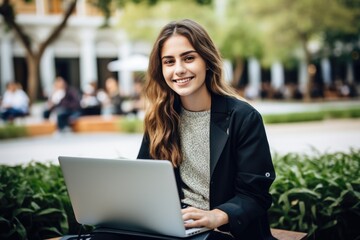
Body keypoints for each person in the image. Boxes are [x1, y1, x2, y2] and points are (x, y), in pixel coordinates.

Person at [137, 19, 276, 240]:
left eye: (189, 58)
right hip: (174, 229)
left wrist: (216, 216)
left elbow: (255, 195)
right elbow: (142, 182)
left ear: (207, 61)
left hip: (227, 232)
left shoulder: (243, 117)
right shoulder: (159, 119)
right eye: (169, 61)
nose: (179, 70)